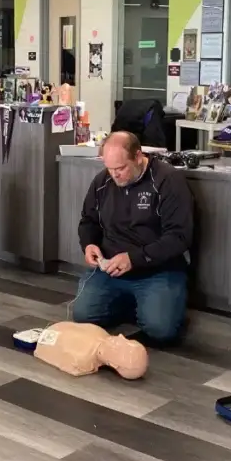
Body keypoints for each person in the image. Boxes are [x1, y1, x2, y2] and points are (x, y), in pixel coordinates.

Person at [74, 131, 194, 346]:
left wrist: (134, 259)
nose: (115, 175)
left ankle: (152, 304)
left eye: (120, 168)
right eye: (109, 169)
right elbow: (88, 220)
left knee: (161, 330)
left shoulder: (168, 180)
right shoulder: (103, 181)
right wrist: (89, 244)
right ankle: (136, 303)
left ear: (138, 156)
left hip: (157, 269)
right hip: (110, 268)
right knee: (83, 316)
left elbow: (179, 236)